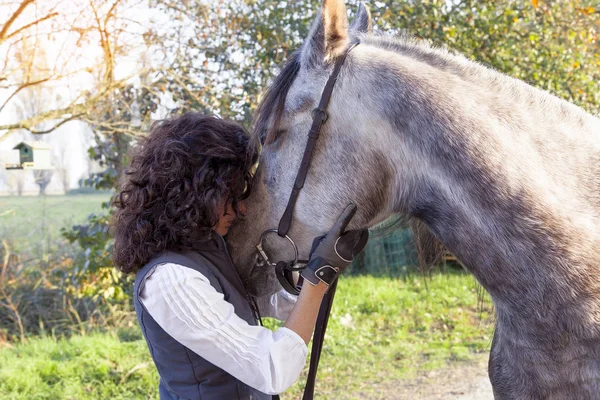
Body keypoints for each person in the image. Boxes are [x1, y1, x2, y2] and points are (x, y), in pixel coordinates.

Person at [112, 113, 367, 399]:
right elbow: (272, 369)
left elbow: (267, 305)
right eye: (229, 193)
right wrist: (319, 277)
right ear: (194, 193)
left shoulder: (210, 252)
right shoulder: (171, 280)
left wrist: (305, 276)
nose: (242, 208)